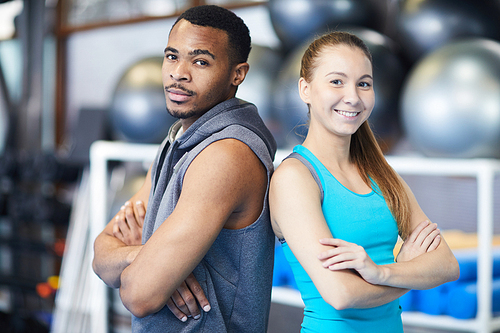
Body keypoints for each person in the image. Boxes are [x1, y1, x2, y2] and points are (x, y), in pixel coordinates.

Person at [92, 5, 277, 332]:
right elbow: (100, 256)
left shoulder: (226, 154)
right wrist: (145, 259)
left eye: (201, 61)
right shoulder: (179, 141)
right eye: (172, 56)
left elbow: (139, 295)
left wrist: (149, 268)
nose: (178, 72)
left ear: (238, 74)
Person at [269, 31, 460, 332]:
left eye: (364, 84)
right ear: (305, 89)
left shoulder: (381, 174)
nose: (353, 97)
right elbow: (341, 294)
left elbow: (447, 264)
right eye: (336, 81)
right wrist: (405, 271)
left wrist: (381, 273)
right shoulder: (295, 178)